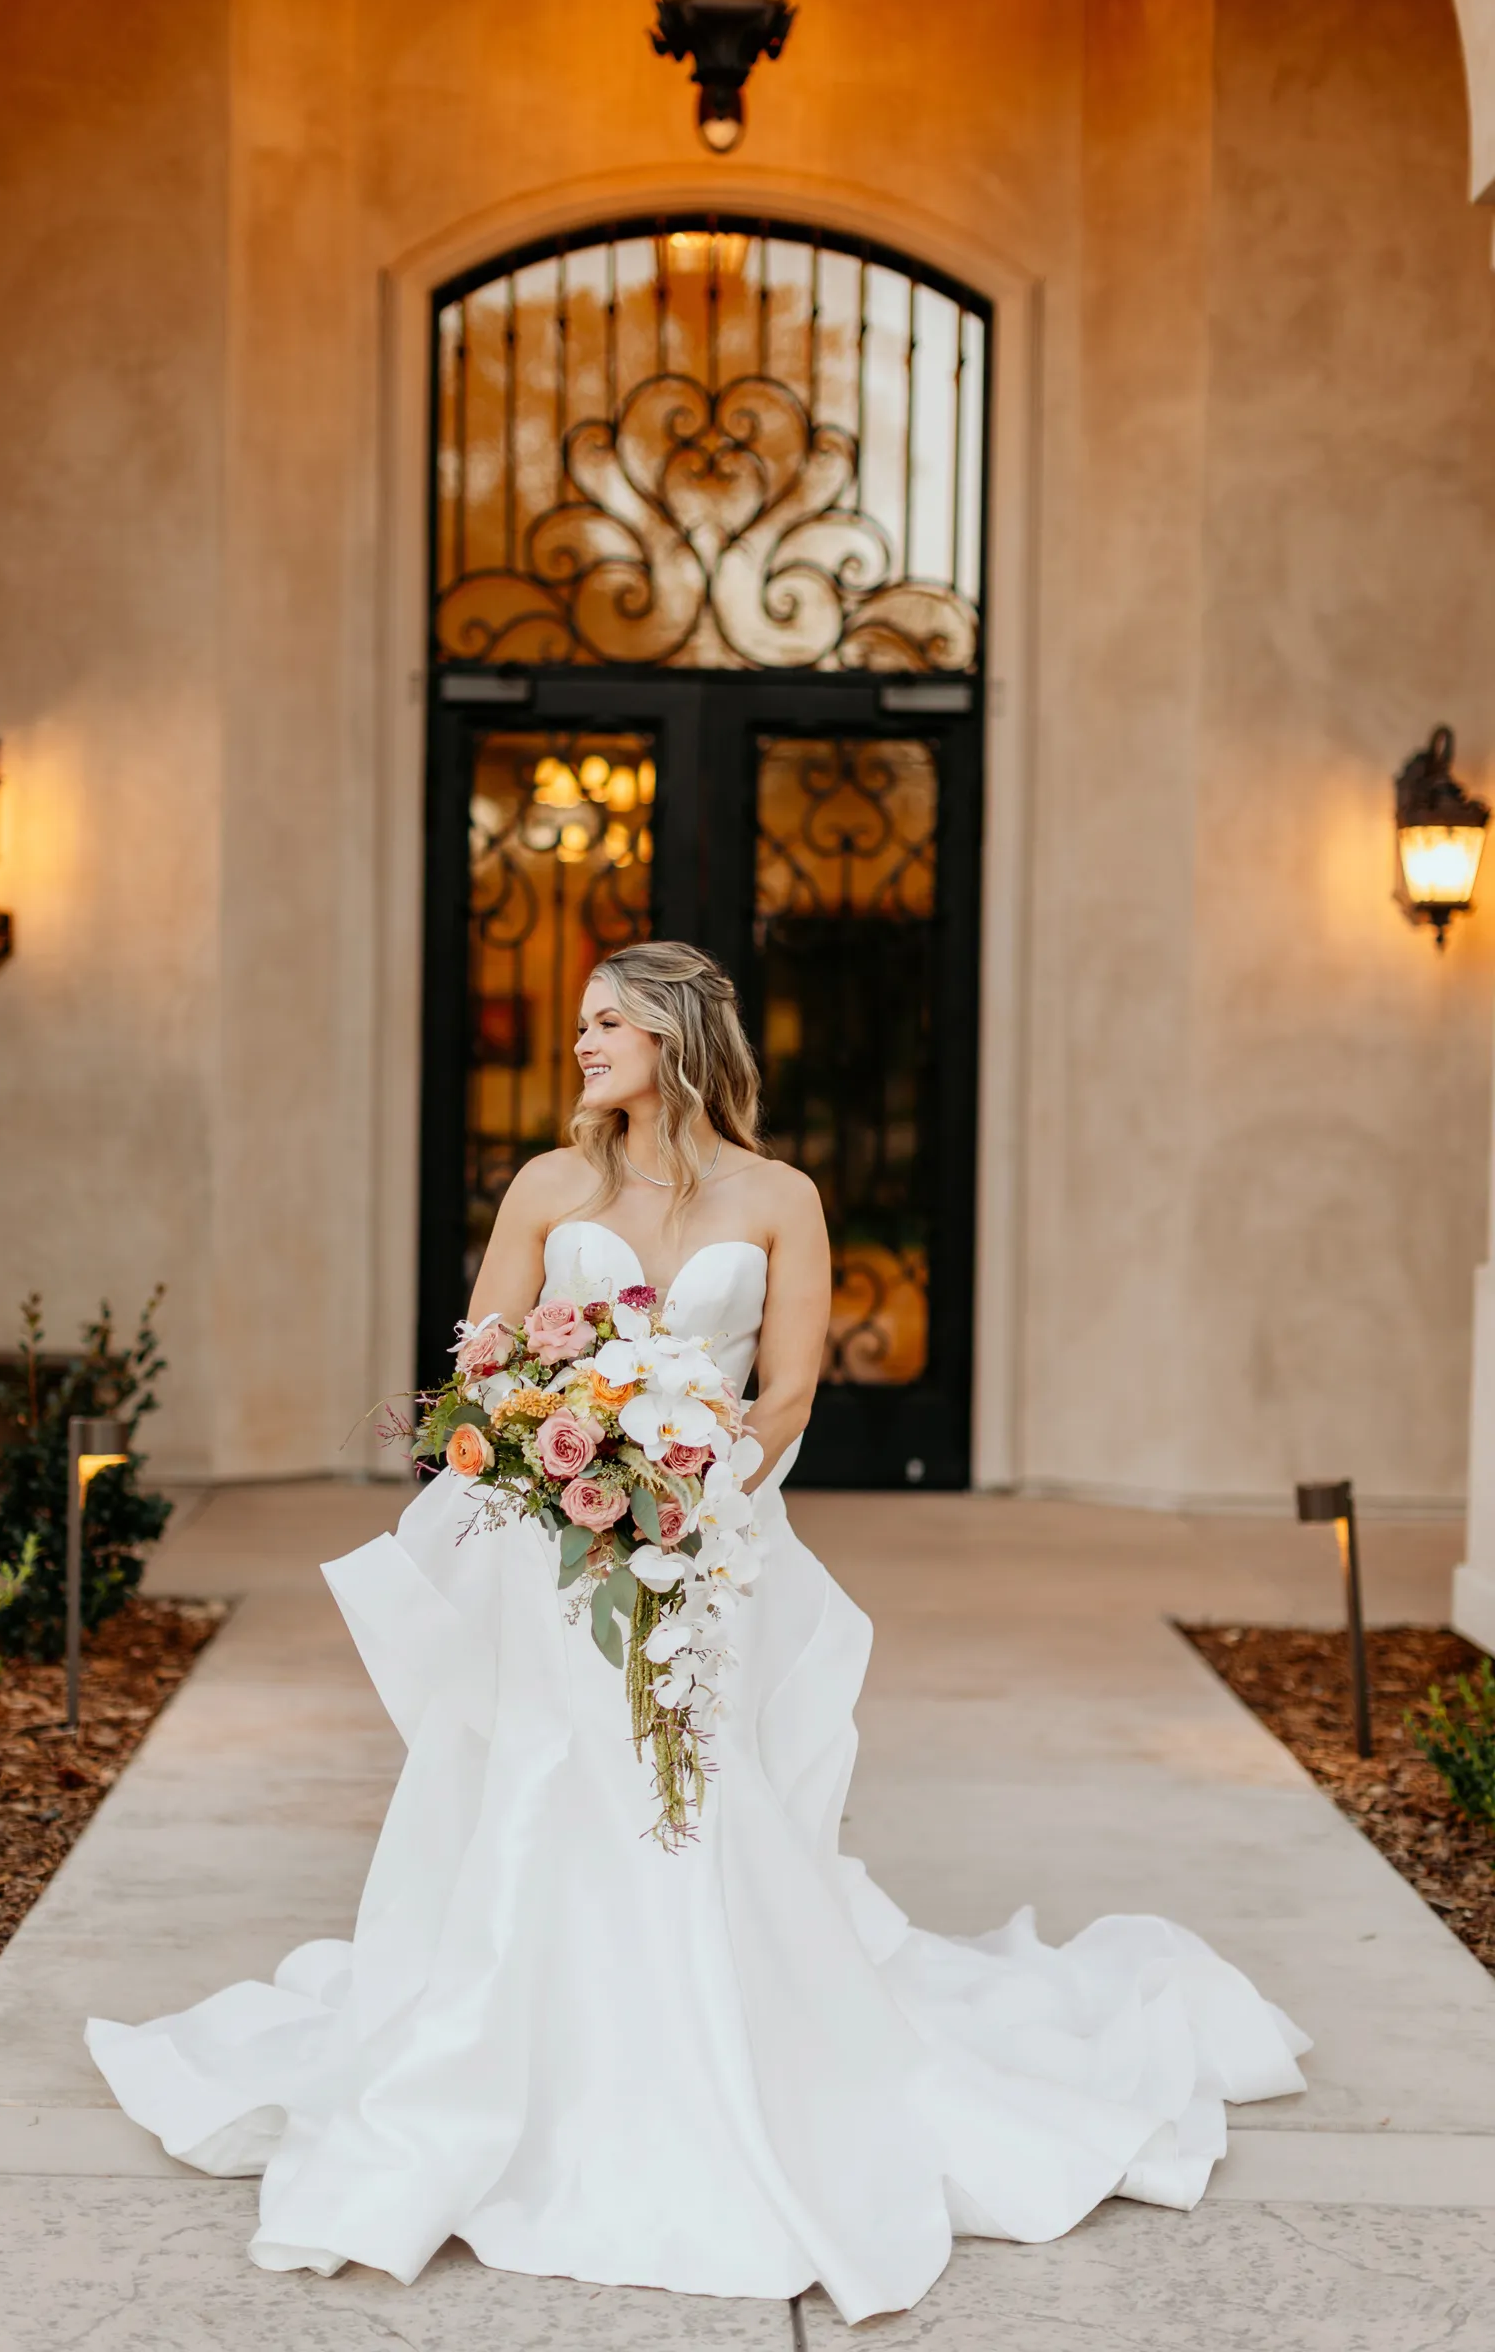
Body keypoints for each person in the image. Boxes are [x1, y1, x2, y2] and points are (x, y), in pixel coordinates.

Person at [87, 939, 1309, 2324]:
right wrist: (568, 1462)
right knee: (556, 1781)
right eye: (582, 1022)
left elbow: (787, 1391)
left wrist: (694, 1477)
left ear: (673, 1035)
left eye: (606, 1021)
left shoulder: (783, 1197)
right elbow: (478, 1369)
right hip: (557, 1552)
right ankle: (524, 2062)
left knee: (699, 1794)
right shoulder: (551, 1185)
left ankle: (719, 2053)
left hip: (712, 1537)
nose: (581, 1044)